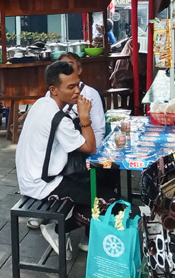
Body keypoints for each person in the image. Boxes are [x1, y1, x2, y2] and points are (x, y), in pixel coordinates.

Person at [16, 61, 115, 258]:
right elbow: (90, 147)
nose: (77, 91)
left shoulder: (41, 103)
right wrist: (85, 118)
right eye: (70, 87)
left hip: (31, 176)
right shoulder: (57, 118)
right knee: (110, 201)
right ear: (53, 89)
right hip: (42, 185)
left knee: (100, 181)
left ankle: (74, 230)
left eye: (78, 84)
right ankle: (59, 230)